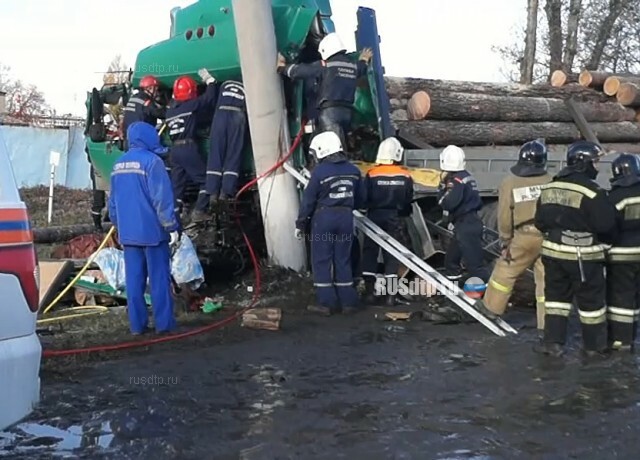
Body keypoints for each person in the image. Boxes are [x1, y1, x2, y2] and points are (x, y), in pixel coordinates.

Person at [533, 140, 617, 357]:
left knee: (556, 301)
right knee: (591, 305)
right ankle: (594, 347)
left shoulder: (550, 187)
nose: (597, 167)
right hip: (583, 258)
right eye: (595, 162)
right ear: (584, 163)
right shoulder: (592, 192)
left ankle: (552, 344)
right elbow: (605, 225)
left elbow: (540, 221)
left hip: (552, 254)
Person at [108, 121, 181, 335]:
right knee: (159, 280)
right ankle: (164, 325)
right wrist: (171, 227)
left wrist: (118, 226)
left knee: (134, 282)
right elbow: (162, 200)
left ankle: (137, 326)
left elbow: (112, 204)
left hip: (129, 235)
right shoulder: (153, 162)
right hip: (153, 233)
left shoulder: (117, 165)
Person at [476, 140, 552, 330]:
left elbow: (504, 214)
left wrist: (505, 239)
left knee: (505, 271)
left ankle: (491, 308)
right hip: (548, 236)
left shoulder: (510, 181)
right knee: (546, 283)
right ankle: (547, 325)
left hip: (524, 236)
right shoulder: (550, 180)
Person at [295, 131, 363, 316]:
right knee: (343, 259)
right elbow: (361, 199)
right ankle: (348, 302)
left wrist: (301, 223)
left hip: (324, 220)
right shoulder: (354, 171)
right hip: (346, 219)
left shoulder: (320, 172)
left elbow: (308, 201)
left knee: (322, 260)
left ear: (321, 151)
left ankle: (327, 303)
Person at [277, 33, 373, 147]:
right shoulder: (353, 65)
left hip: (329, 113)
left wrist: (282, 68)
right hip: (347, 114)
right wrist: (364, 60)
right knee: (340, 143)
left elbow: (301, 71)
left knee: (329, 146)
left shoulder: (325, 65)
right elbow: (362, 68)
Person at [361, 137, 414, 306]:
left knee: (370, 252)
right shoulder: (404, 174)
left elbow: (364, 198)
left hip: (374, 216)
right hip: (395, 217)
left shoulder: (372, 174)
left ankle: (370, 293)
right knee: (392, 255)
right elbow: (408, 200)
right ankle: (391, 297)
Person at [165, 69, 218, 222]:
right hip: (188, 148)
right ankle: (200, 210)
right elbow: (208, 99)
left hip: (174, 151)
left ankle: (172, 219)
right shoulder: (191, 106)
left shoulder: (169, 112)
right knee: (206, 180)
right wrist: (210, 81)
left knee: (178, 187)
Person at [437, 145, 490, 283]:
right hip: (467, 223)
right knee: (451, 261)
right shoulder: (466, 176)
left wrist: (441, 190)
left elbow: (448, 203)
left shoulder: (455, 181)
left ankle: (490, 296)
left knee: (475, 267)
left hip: (466, 225)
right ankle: (455, 292)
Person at [605, 153, 640, 351]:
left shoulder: (615, 197)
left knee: (621, 299)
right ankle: (632, 336)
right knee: (636, 297)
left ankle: (621, 340)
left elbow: (607, 227)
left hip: (622, 256)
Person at [206, 80, 247, 204]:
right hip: (238, 114)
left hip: (220, 114)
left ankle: (213, 193)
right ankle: (226, 192)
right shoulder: (248, 82)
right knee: (233, 153)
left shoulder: (223, 84)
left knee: (216, 153)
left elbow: (210, 100)